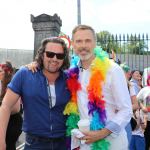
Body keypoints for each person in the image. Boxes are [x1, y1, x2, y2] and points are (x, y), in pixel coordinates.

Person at [63, 25, 132, 150]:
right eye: (79, 41)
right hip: (85, 143)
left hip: (111, 143)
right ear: (73, 44)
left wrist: (102, 133)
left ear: (95, 43)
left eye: (88, 41)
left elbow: (126, 110)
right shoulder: (72, 72)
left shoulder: (112, 70)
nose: (83, 45)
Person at [0, 37, 71, 150]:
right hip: (35, 144)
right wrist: (1, 141)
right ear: (42, 54)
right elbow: (6, 106)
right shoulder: (25, 74)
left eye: (60, 55)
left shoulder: (70, 79)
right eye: (50, 54)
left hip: (64, 143)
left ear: (64, 58)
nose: (54, 58)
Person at [0, 61, 22, 150]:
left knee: (8, 146)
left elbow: (16, 108)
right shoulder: (1, 84)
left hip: (12, 122)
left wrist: (2, 109)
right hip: (4, 121)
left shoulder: (12, 85)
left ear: (7, 72)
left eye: (0, 71)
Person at [137, 74, 150, 150]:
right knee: (145, 141)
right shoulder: (145, 89)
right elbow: (137, 99)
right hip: (146, 120)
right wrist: (142, 107)